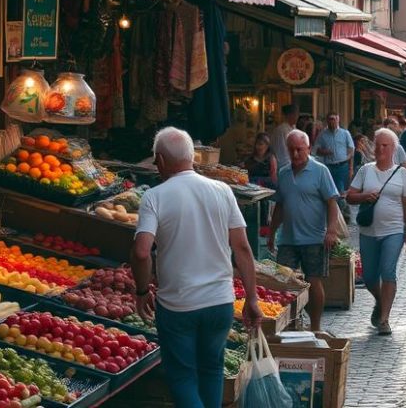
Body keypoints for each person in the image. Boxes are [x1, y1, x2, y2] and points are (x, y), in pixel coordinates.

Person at [132, 128, 262, 408]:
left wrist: (142, 290)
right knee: (212, 369)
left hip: (178, 305)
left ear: (161, 160)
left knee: (182, 377)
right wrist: (251, 298)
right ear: (192, 157)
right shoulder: (222, 191)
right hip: (219, 303)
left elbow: (142, 252)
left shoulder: (154, 197)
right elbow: (242, 248)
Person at [268, 130, 341, 332]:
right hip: (288, 239)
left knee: (313, 281)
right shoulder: (283, 173)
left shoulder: (320, 171)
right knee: (285, 283)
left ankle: (316, 326)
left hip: (314, 238)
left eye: (300, 149)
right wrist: (272, 232)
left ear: (308, 148)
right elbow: (280, 206)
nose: (295, 153)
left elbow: (331, 202)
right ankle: (289, 325)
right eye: (291, 150)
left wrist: (331, 230)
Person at [347, 129, 406, 334]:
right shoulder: (365, 170)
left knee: (388, 271)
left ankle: (384, 319)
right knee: (368, 277)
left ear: (394, 148)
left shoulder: (401, 173)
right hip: (368, 231)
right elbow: (349, 196)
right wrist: (364, 196)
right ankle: (379, 299)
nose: (380, 149)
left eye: (385, 145)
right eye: (377, 145)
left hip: (393, 231)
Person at [269, 104, 298, 169]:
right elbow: (281, 152)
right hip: (284, 166)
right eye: (295, 115)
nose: (297, 117)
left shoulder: (293, 128)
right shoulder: (281, 130)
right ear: (289, 115)